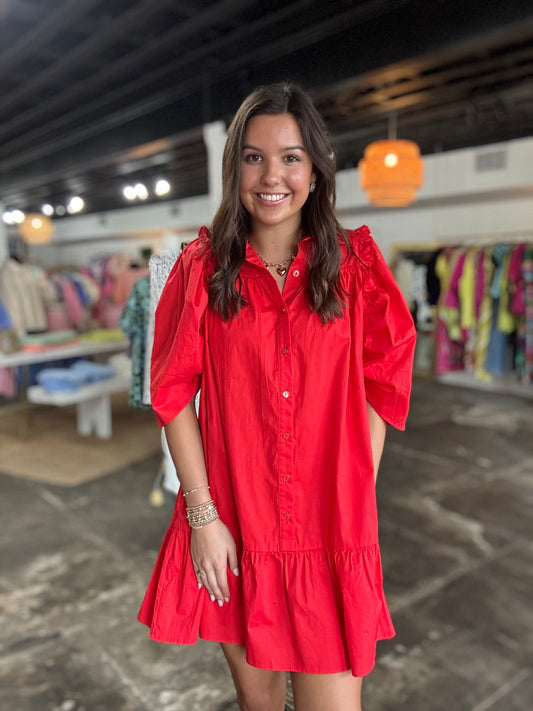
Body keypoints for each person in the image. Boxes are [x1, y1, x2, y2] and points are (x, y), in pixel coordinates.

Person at [138, 81, 417, 711]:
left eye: (291, 157)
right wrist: (203, 518)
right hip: (235, 526)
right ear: (234, 166)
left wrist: (357, 484)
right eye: (254, 156)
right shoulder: (202, 271)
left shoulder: (357, 267)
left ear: (316, 171)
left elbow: (384, 380)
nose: (272, 176)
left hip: (330, 532)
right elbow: (173, 393)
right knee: (258, 704)